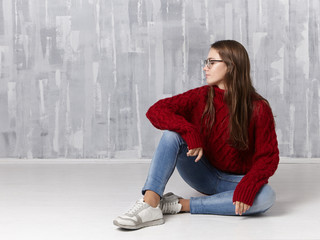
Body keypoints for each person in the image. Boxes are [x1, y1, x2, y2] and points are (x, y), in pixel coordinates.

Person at [113, 40, 279, 230]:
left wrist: (249, 183)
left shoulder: (258, 107)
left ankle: (179, 205)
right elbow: (156, 110)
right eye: (205, 62)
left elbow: (268, 157)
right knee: (171, 135)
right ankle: (150, 203)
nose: (205, 67)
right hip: (203, 173)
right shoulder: (200, 96)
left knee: (266, 196)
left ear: (231, 66)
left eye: (211, 62)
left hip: (233, 182)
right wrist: (190, 131)